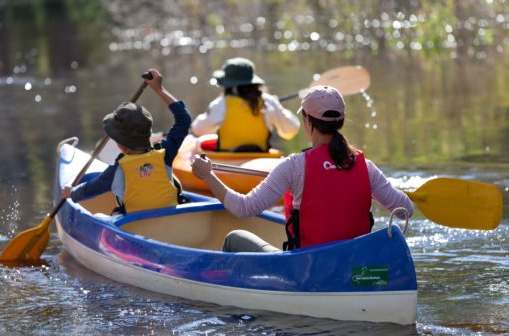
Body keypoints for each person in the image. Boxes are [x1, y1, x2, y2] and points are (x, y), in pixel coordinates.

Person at [191, 85, 414, 252]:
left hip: (308, 268)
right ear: (341, 121)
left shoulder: (294, 166)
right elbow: (405, 210)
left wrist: (208, 176)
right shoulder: (366, 167)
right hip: (354, 265)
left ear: (308, 121)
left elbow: (243, 208)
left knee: (234, 238)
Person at [62, 69, 192, 214]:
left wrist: (71, 193)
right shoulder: (166, 152)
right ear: (148, 133)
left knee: (103, 214)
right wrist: (159, 89)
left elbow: (88, 190)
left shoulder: (116, 170)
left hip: (135, 227)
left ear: (119, 143)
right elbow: (184, 119)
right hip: (172, 222)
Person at [190, 57, 300, 152]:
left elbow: (198, 129)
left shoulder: (220, 104)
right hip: (259, 159)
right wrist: (279, 108)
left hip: (228, 161)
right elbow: (291, 130)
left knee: (197, 142)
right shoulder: (269, 102)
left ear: (230, 85)